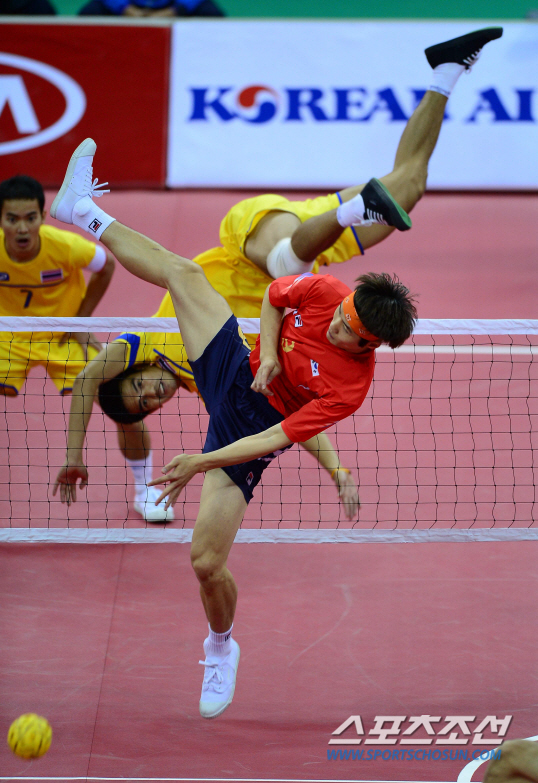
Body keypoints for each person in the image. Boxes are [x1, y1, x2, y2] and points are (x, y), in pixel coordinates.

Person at [52, 25, 502, 719]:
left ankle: (444, 74)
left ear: (372, 345)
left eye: (350, 331)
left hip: (247, 421)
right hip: (256, 263)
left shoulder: (348, 385)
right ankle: (81, 209)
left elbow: (276, 437)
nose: (339, 325)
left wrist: (205, 461)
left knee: (408, 185)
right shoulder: (327, 292)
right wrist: (264, 356)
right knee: (225, 268)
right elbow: (276, 292)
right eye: (343, 314)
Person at [56, 289, 363, 523]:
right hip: (277, 309)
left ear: (137, 368)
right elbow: (294, 422)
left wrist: (73, 456)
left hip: (244, 274)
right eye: (146, 404)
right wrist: (337, 470)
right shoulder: (212, 383)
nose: (151, 393)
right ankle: (144, 489)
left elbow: (87, 380)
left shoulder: (147, 340)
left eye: (139, 386)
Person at [0, 175, 115, 397]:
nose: (22, 229)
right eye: (12, 220)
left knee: (115, 395)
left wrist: (81, 321)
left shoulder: (67, 247)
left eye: (30, 218)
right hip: (7, 337)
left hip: (63, 334)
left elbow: (107, 264)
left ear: (42, 217)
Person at [78, 0, 224, 17]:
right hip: (128, 6)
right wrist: (123, 7)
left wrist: (177, 10)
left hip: (173, 6)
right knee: (90, 12)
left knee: (211, 13)